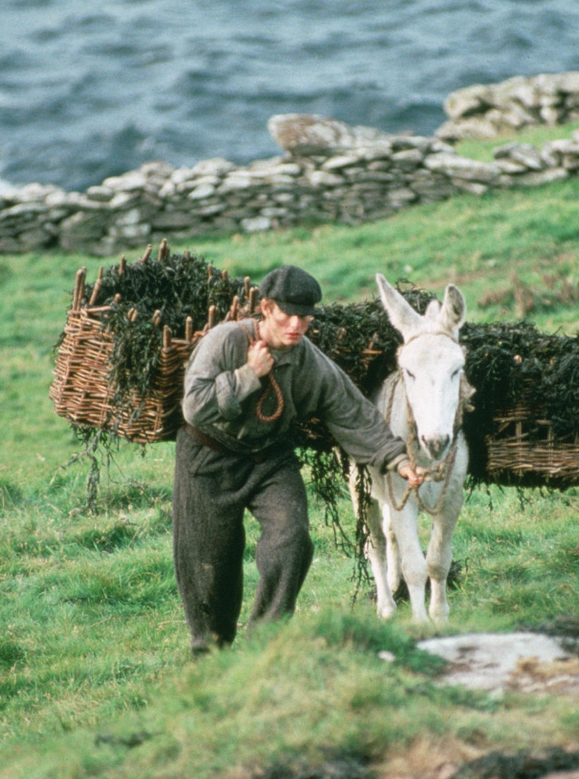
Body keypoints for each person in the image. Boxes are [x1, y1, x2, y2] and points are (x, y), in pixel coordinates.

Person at [173, 264, 424, 655]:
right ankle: (211, 659)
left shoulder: (309, 361)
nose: (296, 325)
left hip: (269, 461)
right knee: (210, 568)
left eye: (305, 317)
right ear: (267, 308)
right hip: (208, 457)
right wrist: (247, 375)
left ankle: (266, 644)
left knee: (292, 540)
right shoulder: (225, 341)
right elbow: (194, 407)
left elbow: (350, 411)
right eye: (287, 315)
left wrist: (396, 459)